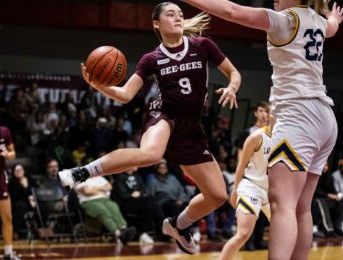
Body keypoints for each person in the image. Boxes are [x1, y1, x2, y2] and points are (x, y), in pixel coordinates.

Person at [58, 2, 241, 254]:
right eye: (170, 14)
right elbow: (125, 94)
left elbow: (234, 73)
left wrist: (232, 87)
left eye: (180, 14)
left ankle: (178, 224)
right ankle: (81, 172)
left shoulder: (202, 46)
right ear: (156, 23)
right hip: (164, 114)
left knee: (218, 195)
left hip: (192, 126)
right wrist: (98, 85)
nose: (178, 17)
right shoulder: (151, 59)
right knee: (151, 154)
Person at [181, 0, 343, 258]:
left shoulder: (286, 20)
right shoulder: (318, 21)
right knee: (302, 207)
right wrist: (334, 18)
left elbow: (231, 11)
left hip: (297, 116)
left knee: (283, 205)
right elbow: (333, 27)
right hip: (325, 117)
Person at [219, 104, 273, 260]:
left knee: (285, 232)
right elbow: (241, 164)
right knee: (243, 234)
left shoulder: (285, 138)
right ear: (268, 116)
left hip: (270, 191)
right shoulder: (256, 137)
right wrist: (235, 191)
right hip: (252, 187)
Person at [0, 106, 20, 260]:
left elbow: (13, 153)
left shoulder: (5, 132)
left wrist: (8, 154)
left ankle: (8, 253)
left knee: (7, 217)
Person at [74, 176, 136, 246]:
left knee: (113, 207)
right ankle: (118, 234)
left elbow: (109, 186)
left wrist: (95, 189)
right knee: (103, 210)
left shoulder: (99, 178)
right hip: (88, 201)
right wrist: (102, 189)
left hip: (104, 199)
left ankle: (123, 230)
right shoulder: (80, 178)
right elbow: (87, 191)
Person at [8, 163, 37, 238]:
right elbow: (15, 196)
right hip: (17, 203)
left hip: (32, 202)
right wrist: (28, 197)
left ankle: (40, 229)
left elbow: (37, 190)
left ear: (23, 170)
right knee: (21, 205)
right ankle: (15, 231)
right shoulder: (12, 183)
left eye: (20, 170)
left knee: (41, 205)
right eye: (16, 170)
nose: (18, 172)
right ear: (13, 172)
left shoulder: (30, 179)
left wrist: (33, 198)